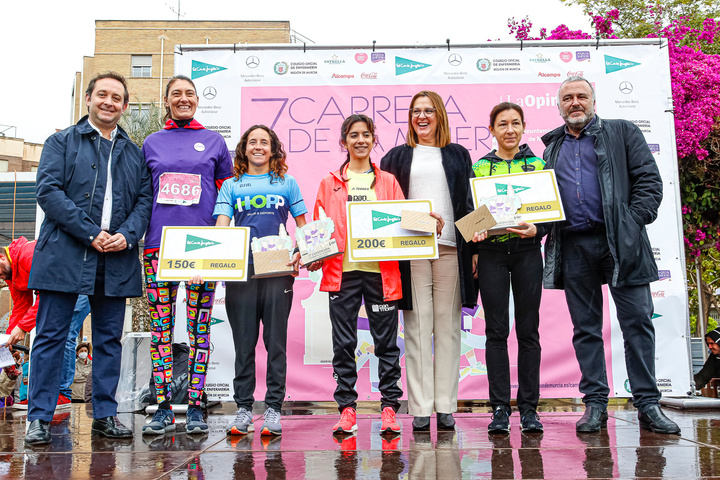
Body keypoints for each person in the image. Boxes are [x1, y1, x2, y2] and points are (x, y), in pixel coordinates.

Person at [538, 76, 679, 434]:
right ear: (559, 106)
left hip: (622, 243)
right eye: (567, 98)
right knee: (586, 329)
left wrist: (630, 222)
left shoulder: (622, 131)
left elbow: (650, 181)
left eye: (581, 96)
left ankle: (648, 404)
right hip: (573, 246)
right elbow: (543, 203)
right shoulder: (551, 147)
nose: (575, 103)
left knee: (637, 324)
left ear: (593, 101)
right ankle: (595, 405)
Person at [25, 71, 152, 445]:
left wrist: (127, 236)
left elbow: (145, 202)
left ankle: (106, 415)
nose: (109, 102)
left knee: (109, 340)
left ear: (125, 106)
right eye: (102, 95)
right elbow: (48, 192)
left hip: (116, 259)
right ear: (88, 99)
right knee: (50, 337)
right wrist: (90, 232)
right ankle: (39, 418)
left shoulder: (134, 153)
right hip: (64, 257)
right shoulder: (60, 142)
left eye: (117, 97)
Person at [311, 114, 436, 436]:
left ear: (373, 139)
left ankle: (389, 410)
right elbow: (317, 231)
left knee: (386, 345)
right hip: (342, 274)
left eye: (366, 135)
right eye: (354, 135)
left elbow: (404, 224)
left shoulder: (388, 182)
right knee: (344, 344)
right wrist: (310, 254)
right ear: (344, 142)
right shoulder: (329, 183)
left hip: (382, 275)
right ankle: (347, 410)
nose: (360, 140)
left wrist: (428, 223)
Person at [140, 75, 233, 436]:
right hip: (157, 250)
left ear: (197, 100)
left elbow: (226, 195)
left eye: (189, 94)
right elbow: (142, 196)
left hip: (201, 251)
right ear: (166, 100)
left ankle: (195, 405)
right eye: (176, 94)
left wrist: (223, 243)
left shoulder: (214, 141)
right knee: (161, 331)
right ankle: (162, 407)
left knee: (198, 331)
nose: (183, 99)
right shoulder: (151, 143)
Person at [380, 91, 477, 431]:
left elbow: (468, 203)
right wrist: (422, 222)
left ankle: (446, 406)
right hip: (412, 253)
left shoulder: (457, 154)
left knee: (448, 329)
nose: (422, 117)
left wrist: (475, 248)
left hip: (452, 248)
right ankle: (421, 408)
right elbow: (386, 209)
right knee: (417, 328)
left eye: (428, 111)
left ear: (439, 116)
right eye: (416, 111)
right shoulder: (396, 157)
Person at [214, 125, 307, 437]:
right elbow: (221, 228)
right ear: (244, 149)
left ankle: (273, 410)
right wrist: (210, 260)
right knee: (244, 342)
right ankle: (242, 408)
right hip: (242, 270)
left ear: (272, 149)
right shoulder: (231, 186)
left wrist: (301, 251)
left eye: (264, 142)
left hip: (278, 269)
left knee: (275, 342)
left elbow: (304, 228)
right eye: (252, 142)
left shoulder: (287, 182)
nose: (258, 147)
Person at [471, 103, 545, 433]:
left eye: (516, 123)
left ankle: (529, 409)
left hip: (529, 252)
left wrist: (538, 230)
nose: (510, 130)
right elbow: (471, 215)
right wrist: (476, 234)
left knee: (528, 331)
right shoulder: (479, 168)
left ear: (524, 127)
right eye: (503, 124)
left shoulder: (539, 165)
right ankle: (499, 408)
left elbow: (551, 214)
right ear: (492, 130)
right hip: (492, 256)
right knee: (496, 332)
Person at [0, 237, 38, 348]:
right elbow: (21, 305)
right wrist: (8, 340)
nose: (1, 278)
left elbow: (48, 296)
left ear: (1, 257)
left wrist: (23, 327)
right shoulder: (10, 273)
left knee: (66, 335)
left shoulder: (28, 254)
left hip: (79, 282)